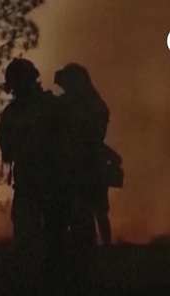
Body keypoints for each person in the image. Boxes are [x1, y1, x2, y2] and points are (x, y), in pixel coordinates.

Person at [0, 58, 69, 276]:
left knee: (42, 239)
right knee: (41, 239)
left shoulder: (18, 112)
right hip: (39, 181)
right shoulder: (51, 105)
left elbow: (7, 147)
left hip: (44, 181)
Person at [54, 63, 117, 247]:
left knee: (88, 210)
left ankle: (93, 249)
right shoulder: (95, 104)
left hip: (82, 166)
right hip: (88, 164)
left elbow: (88, 137)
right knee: (95, 211)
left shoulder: (76, 105)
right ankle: (102, 248)